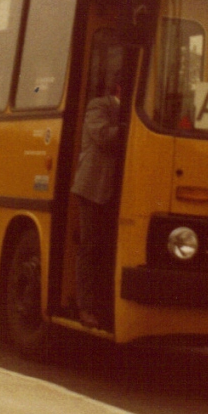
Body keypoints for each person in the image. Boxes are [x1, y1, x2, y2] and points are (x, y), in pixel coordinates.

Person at [70, 83, 122, 329]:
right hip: (93, 189)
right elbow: (103, 137)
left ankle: (104, 307)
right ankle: (85, 307)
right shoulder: (98, 106)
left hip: (114, 192)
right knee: (90, 248)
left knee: (105, 250)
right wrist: (129, 125)